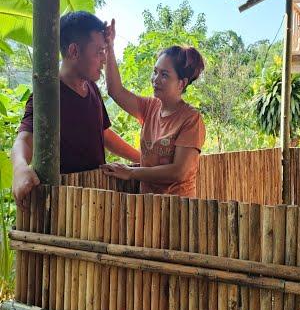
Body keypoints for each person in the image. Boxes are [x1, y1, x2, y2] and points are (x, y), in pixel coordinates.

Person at [11, 11, 140, 210]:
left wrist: (142, 159)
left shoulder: (92, 88)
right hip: (63, 205)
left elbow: (104, 134)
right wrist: (19, 168)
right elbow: (24, 140)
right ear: (74, 51)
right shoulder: (48, 96)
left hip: (94, 200)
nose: (103, 59)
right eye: (98, 52)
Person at [100, 19, 206, 197]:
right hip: (149, 207)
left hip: (179, 211)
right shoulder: (150, 107)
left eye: (164, 75)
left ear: (182, 83)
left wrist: (131, 172)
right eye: (155, 72)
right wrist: (110, 47)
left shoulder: (191, 119)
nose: (155, 79)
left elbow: (179, 172)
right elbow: (115, 91)